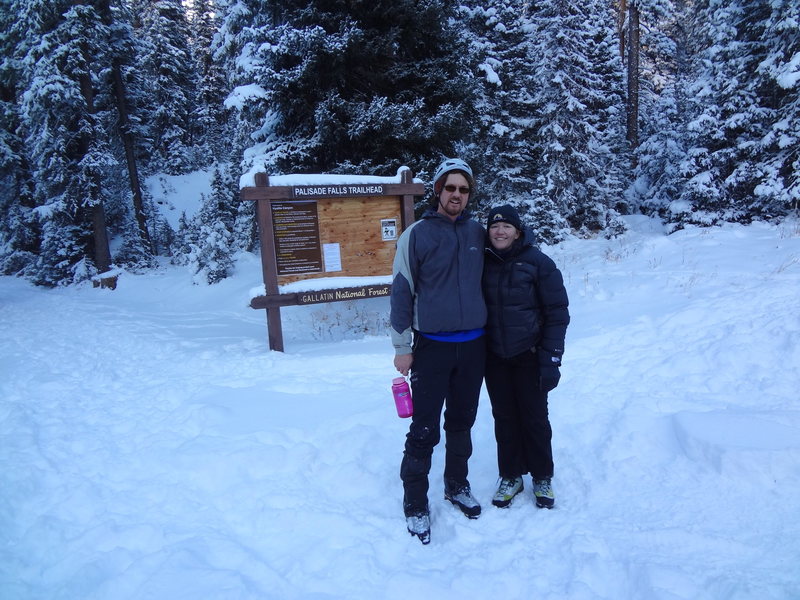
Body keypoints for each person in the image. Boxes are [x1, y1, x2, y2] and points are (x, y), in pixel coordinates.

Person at [390, 158, 487, 544]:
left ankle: (456, 484)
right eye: (450, 188)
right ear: (437, 191)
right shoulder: (416, 235)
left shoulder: (479, 232)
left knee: (462, 422)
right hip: (432, 348)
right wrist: (402, 346)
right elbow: (401, 289)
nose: (457, 196)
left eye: (463, 190)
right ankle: (415, 502)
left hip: (474, 346)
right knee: (425, 428)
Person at [482, 204, 570, 510]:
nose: (500, 231)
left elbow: (557, 313)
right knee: (504, 418)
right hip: (495, 357)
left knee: (534, 418)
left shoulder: (538, 263)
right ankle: (511, 475)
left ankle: (542, 475)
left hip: (530, 355)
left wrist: (551, 358)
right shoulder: (482, 261)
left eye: (507, 227)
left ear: (518, 232)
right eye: (494, 227)